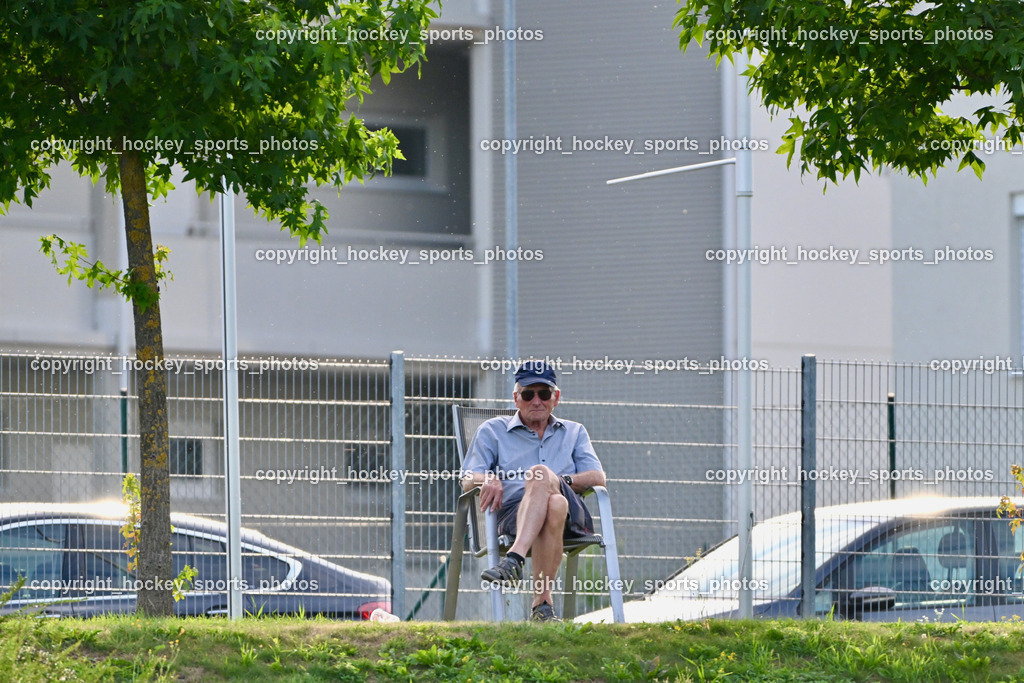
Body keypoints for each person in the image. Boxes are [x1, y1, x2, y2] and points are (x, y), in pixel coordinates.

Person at [461, 360, 606, 622]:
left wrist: (556, 481)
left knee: (541, 476)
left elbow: (597, 477)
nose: (536, 401)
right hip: (514, 515)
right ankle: (542, 607)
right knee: (554, 504)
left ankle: (514, 559)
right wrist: (489, 478)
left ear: (556, 398)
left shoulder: (574, 432)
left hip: (571, 518)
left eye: (544, 393)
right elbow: (468, 478)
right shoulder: (492, 430)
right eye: (528, 394)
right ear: (516, 399)